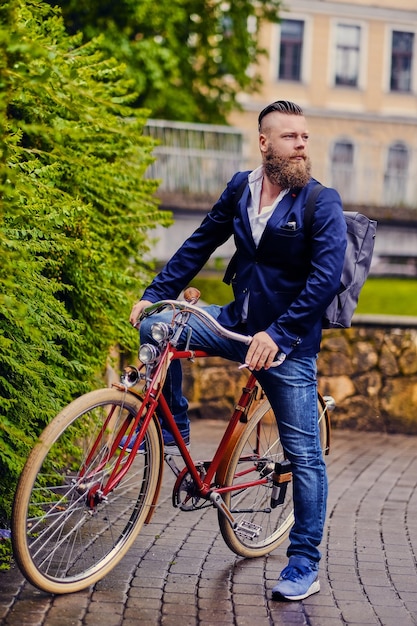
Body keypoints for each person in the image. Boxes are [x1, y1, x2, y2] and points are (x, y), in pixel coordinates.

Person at [129, 100, 347, 601]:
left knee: (305, 457)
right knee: (160, 328)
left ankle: (304, 563)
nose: (302, 145)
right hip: (236, 322)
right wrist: (155, 291)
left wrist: (281, 335)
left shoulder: (320, 202)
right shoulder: (241, 189)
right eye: (291, 137)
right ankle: (170, 427)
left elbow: (324, 280)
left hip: (286, 344)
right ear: (265, 143)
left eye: (306, 137)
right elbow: (200, 242)